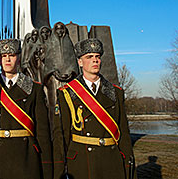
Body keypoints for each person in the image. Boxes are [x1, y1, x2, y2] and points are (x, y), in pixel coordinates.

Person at [53, 38, 136, 179]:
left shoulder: (116, 92)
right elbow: (61, 135)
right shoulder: (66, 92)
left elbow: (124, 133)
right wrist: (60, 169)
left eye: (97, 57)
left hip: (111, 160)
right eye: (89, 57)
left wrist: (128, 165)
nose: (95, 60)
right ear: (80, 62)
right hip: (81, 164)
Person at [0, 39, 53, 179]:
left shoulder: (34, 88)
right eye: (3, 56)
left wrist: (47, 165)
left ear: (19, 59)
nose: (7, 59)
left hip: (26, 156)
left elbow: (42, 131)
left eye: (12, 55)